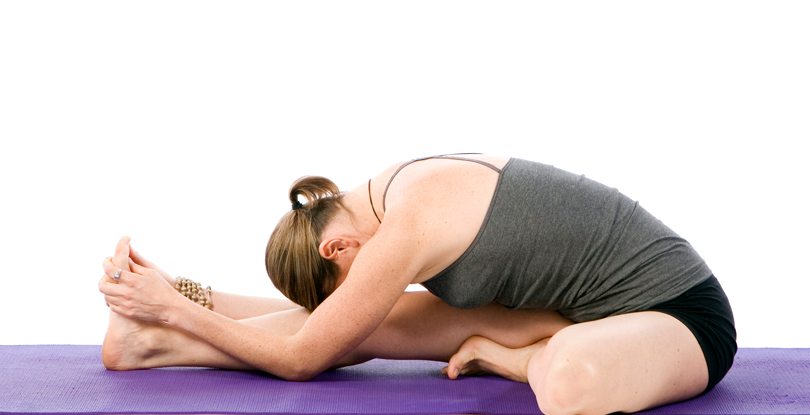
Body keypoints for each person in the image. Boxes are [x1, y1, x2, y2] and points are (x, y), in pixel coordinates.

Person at [99, 153, 736, 415]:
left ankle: (519, 362)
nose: (351, 296)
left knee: (569, 384)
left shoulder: (408, 225)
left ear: (337, 247)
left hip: (677, 319)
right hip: (569, 311)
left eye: (340, 283)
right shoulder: (388, 194)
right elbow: (330, 327)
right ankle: (151, 345)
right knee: (369, 325)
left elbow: (303, 357)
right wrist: (179, 295)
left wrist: (173, 309)